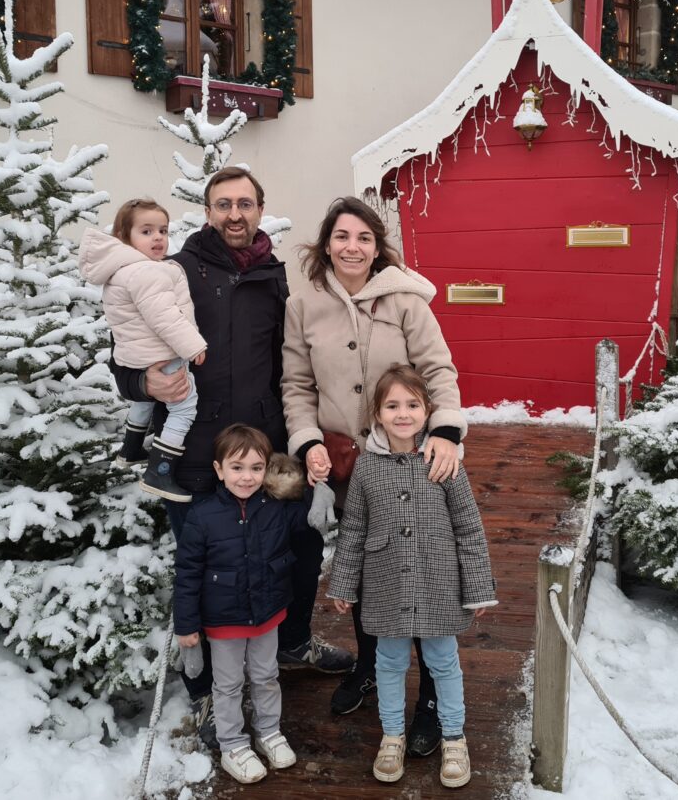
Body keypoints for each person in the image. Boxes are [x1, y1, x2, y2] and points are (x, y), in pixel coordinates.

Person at [110, 168, 352, 749]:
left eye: (246, 203)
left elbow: (289, 359)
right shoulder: (175, 272)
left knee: (300, 548)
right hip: (198, 453)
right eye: (224, 205)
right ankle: (202, 694)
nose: (236, 214)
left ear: (262, 209)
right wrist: (144, 382)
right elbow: (126, 348)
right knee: (205, 571)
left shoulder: (273, 275)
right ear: (208, 210)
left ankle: (291, 642)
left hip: (268, 450)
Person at [281, 195, 466, 754]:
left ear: (377, 246)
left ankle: (432, 696)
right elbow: (297, 385)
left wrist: (446, 432)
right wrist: (308, 440)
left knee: (431, 566)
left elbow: (439, 369)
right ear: (326, 244)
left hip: (415, 457)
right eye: (342, 237)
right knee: (365, 565)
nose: (352, 247)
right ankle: (367, 665)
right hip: (345, 463)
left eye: (363, 238)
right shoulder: (304, 304)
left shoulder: (407, 301)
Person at [327, 364, 496, 787]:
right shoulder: (366, 467)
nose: (403, 414)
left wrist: (477, 589)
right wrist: (345, 583)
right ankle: (392, 736)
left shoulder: (444, 459)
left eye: (412, 405)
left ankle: (454, 738)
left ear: (428, 410)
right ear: (377, 414)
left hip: (439, 584)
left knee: (443, 662)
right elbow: (354, 530)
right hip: (385, 584)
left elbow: (469, 527)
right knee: (388, 663)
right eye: (392, 405)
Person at [174, 425, 309, 783]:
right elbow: (187, 573)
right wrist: (186, 625)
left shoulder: (276, 508)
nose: (247, 477)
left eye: (255, 468)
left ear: (267, 470)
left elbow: (308, 518)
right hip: (224, 620)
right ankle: (233, 742)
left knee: (266, 676)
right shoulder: (202, 516)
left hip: (267, 613)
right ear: (219, 470)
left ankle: (269, 731)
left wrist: (316, 489)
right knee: (228, 683)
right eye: (237, 467)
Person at [78, 199, 207, 501]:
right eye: (147, 231)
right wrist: (193, 346)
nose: (159, 237)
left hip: (135, 355)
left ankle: (131, 448)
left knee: (146, 401)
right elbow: (165, 317)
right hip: (159, 353)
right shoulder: (146, 272)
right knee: (184, 405)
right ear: (125, 237)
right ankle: (159, 472)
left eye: (162, 229)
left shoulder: (122, 271)